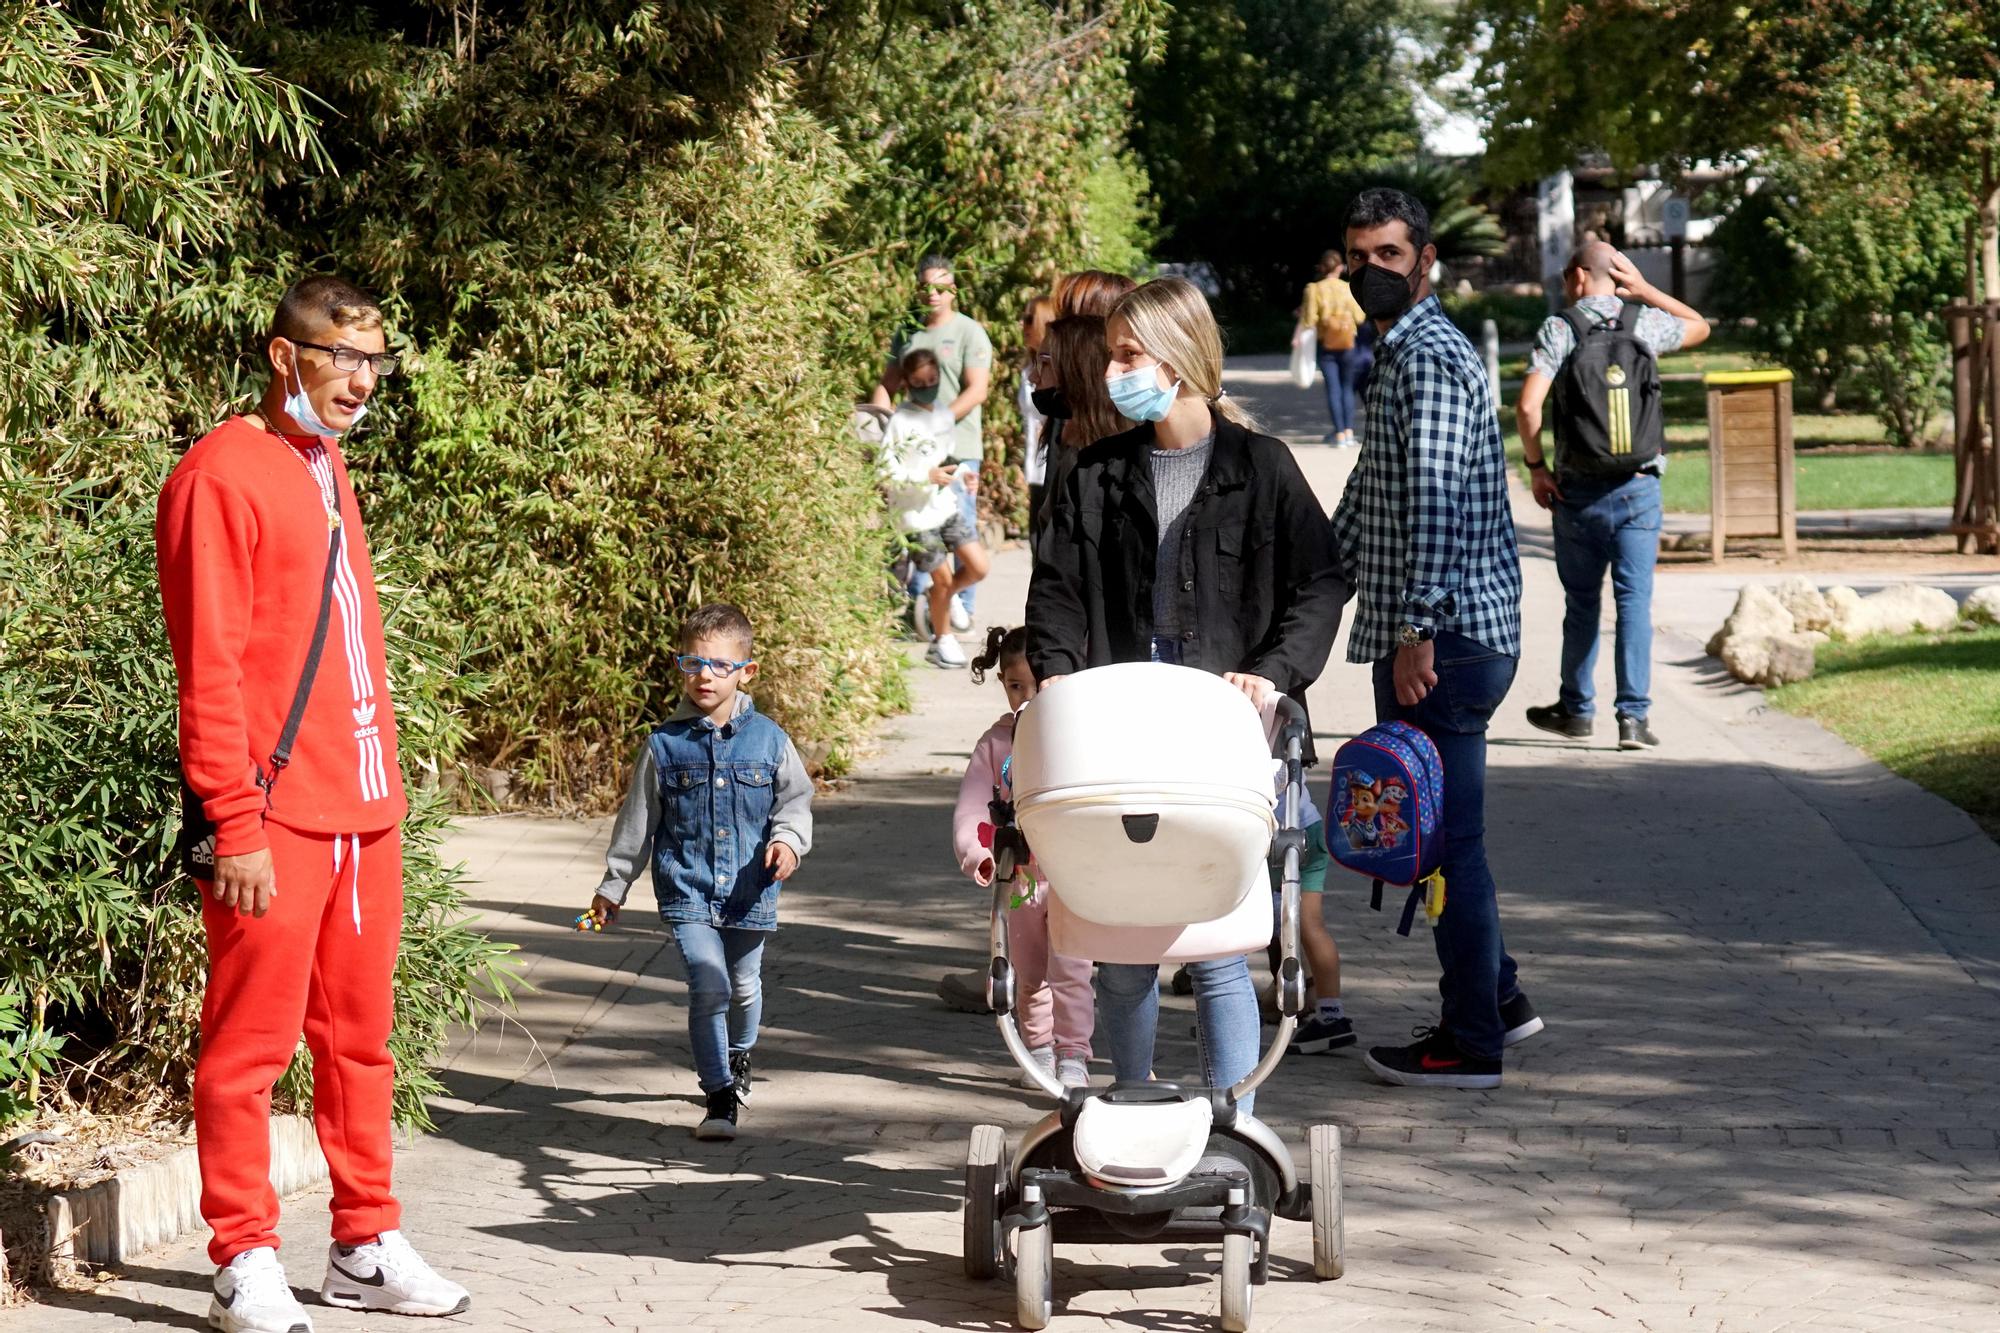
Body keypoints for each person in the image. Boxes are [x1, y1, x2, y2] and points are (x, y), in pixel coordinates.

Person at [157, 275, 470, 1332]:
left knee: (362, 1043)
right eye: (341, 355)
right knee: (249, 1046)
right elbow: (210, 670)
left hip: (363, 808)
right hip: (273, 816)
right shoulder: (220, 473)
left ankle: (363, 1242)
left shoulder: (324, 462)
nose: (360, 378)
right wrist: (232, 821)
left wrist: (389, 786)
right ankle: (242, 1255)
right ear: (283, 354)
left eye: (375, 359)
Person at [1027, 276, 1347, 1111]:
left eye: (1131, 354)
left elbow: (1320, 585)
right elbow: (1055, 590)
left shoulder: (1262, 469)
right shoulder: (1094, 477)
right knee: (1124, 942)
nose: (1116, 371)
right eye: (1113, 355)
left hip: (1226, 745)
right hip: (1124, 740)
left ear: (1180, 355)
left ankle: (1232, 1114)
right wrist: (1056, 679)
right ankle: (1130, 1105)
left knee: (1216, 946)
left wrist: (1272, 673)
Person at [1328, 187, 1542, 1092]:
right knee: (1438, 835)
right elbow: (1375, 498)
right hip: (1437, 631)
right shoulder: (1403, 352)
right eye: (1358, 256)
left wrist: (1415, 628)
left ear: (1424, 260)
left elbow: (1440, 510)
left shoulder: (1427, 359)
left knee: (1452, 846)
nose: (1370, 271)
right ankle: (1498, 1001)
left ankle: (1470, 1045)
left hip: (1444, 640)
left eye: (1388, 255)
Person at [581, 603, 815, 1142]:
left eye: (719, 665)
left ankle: (739, 1057)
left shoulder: (771, 740)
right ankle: (718, 1094)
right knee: (709, 987)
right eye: (693, 663)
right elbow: (638, 821)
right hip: (687, 887)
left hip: (751, 891)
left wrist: (787, 843)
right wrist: (612, 886)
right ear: (680, 666)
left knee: (745, 986)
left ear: (746, 671)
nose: (705, 675)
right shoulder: (663, 745)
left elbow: (795, 802)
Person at [1517, 240, 1711, 750]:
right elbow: (1700, 325)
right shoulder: (1642, 323)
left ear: (1580, 277)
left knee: (1581, 604)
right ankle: (1634, 720)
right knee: (1634, 605)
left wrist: (1537, 469)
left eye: (1565, 276)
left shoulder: (1561, 327)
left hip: (1577, 493)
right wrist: (1646, 290)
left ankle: (1577, 711)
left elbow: (1528, 407)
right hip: (1639, 489)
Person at [952, 626, 1097, 1090]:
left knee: (1073, 968)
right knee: (1031, 972)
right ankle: (1038, 1049)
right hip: (1020, 877)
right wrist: (979, 853)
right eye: (1016, 686)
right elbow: (972, 807)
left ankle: (1073, 1052)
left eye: (1037, 684)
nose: (1028, 696)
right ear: (1003, 684)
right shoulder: (995, 744)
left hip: (1073, 873)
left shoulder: (1079, 735)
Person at [871, 254, 993, 630]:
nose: (933, 294)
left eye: (941, 286)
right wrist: (881, 429)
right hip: (913, 458)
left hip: (959, 447)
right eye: (926, 287)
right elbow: (887, 385)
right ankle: (927, 612)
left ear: (953, 289)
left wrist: (935, 423)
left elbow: (977, 389)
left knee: (960, 530)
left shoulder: (969, 332)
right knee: (921, 532)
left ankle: (957, 603)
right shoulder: (908, 331)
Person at [876, 348, 991, 666]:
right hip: (916, 517)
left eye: (932, 380)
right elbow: (885, 473)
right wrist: (925, 477)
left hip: (946, 506)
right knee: (941, 578)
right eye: (919, 381)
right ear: (907, 384)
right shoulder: (901, 420)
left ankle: (939, 601)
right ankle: (942, 641)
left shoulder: (942, 412)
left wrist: (964, 475)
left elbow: (947, 459)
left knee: (978, 567)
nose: (927, 386)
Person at [1298, 250, 1368, 445]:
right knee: (1347, 387)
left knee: (1333, 388)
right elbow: (1360, 317)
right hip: (1348, 344)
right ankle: (1348, 432)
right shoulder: (1348, 289)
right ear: (1339, 268)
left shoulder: (1314, 289)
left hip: (1326, 345)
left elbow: (1309, 319)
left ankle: (1338, 433)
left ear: (1323, 267)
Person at [1020, 296, 1059, 540]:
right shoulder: (1028, 367)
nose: (1022, 326)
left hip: (1053, 464)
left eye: (1028, 319)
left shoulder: (1057, 367)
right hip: (1036, 466)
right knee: (1036, 540)